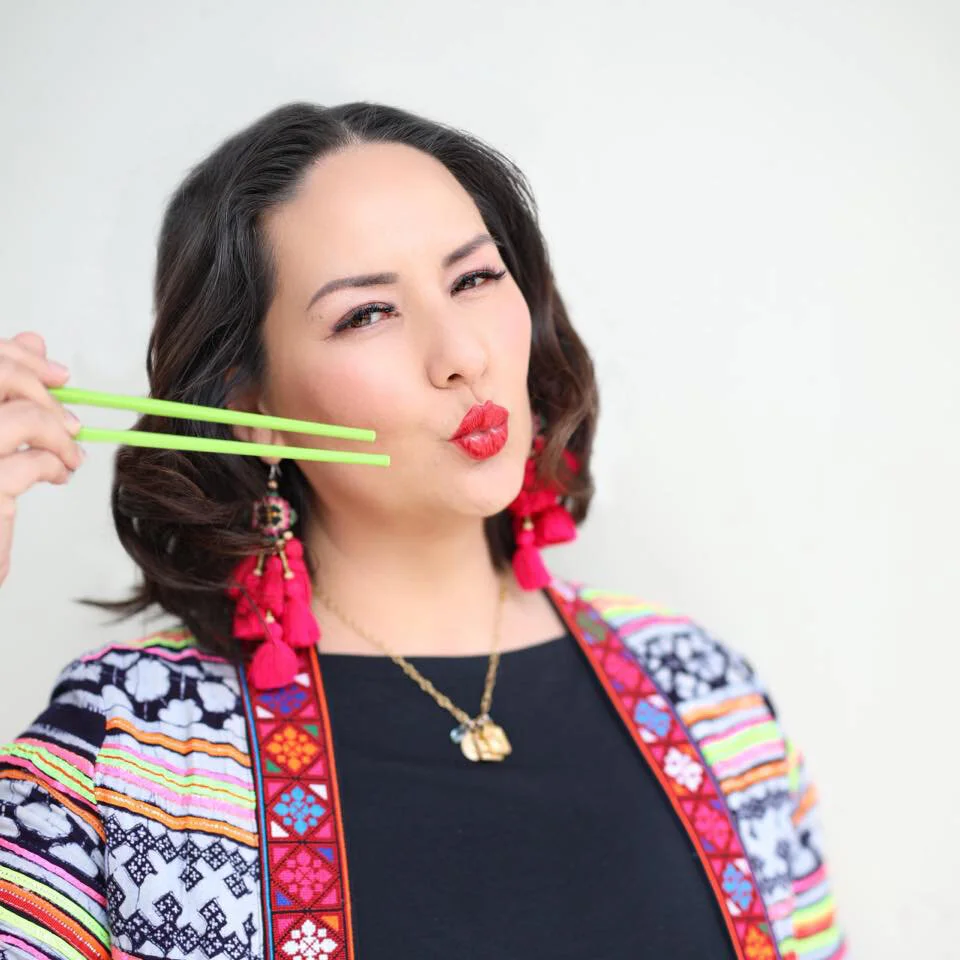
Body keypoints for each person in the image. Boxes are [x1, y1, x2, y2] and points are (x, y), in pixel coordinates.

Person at [0, 101, 846, 960]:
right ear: (250, 407)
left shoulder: (707, 694)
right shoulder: (129, 749)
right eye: (367, 313)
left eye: (473, 279)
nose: (461, 355)